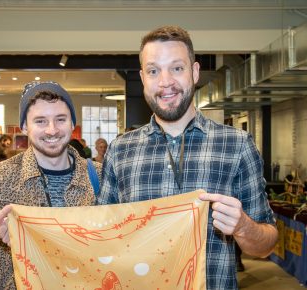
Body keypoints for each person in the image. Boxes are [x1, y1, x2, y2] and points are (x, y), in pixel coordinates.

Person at [97, 26, 278, 290]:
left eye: (177, 68)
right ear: (143, 78)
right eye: (153, 70)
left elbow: (267, 245)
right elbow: (100, 236)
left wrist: (242, 226)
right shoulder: (120, 150)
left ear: (194, 72)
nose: (165, 81)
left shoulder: (237, 145)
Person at [0, 81, 102, 290]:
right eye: (40, 121)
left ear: (72, 123)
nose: (52, 130)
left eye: (60, 119)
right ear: (24, 126)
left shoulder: (99, 176)